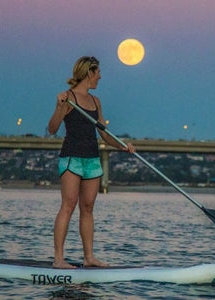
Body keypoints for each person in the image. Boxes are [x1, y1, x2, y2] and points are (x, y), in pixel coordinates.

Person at [48, 56, 135, 269]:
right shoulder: (67, 98)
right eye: (98, 73)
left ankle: (89, 258)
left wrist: (122, 146)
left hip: (92, 160)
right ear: (89, 72)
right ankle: (58, 259)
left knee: (87, 207)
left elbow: (104, 134)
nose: (100, 76)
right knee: (68, 205)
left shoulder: (96, 101)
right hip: (71, 158)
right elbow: (52, 128)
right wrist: (59, 107)